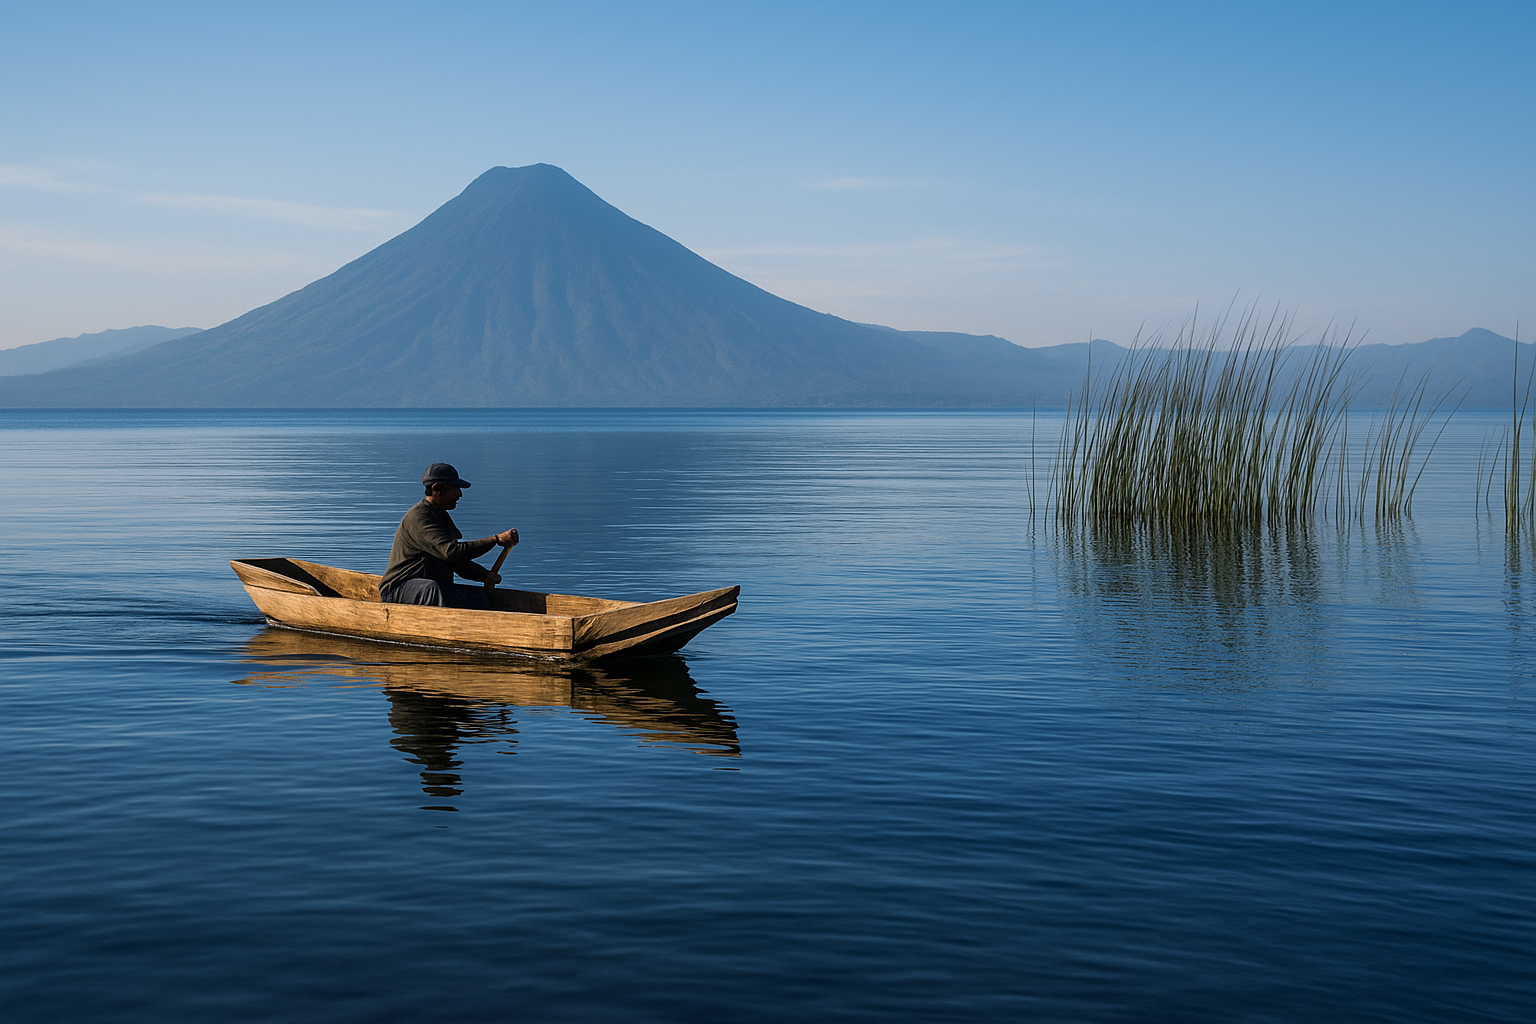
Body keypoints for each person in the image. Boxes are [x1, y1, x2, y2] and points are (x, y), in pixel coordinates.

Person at [379, 463, 519, 609]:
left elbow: (457, 562)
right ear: (437, 489)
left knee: (478, 598)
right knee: (432, 589)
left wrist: (484, 575)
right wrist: (495, 540)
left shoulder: (442, 517)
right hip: (398, 590)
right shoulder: (419, 516)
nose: (460, 494)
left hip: (429, 588)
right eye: (455, 488)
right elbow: (451, 552)